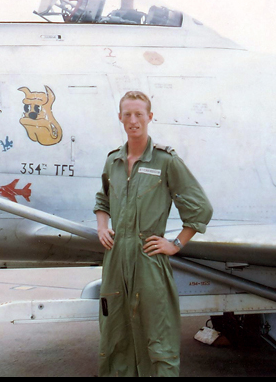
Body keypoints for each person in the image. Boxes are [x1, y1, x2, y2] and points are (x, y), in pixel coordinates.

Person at [93, 90, 213, 377]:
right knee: (115, 335)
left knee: (158, 338)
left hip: (148, 259)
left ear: (149, 117)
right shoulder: (114, 161)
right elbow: (102, 200)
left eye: (138, 114)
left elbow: (200, 208)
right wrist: (101, 227)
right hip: (115, 260)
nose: (133, 120)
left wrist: (175, 244)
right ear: (120, 118)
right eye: (127, 114)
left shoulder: (165, 161)